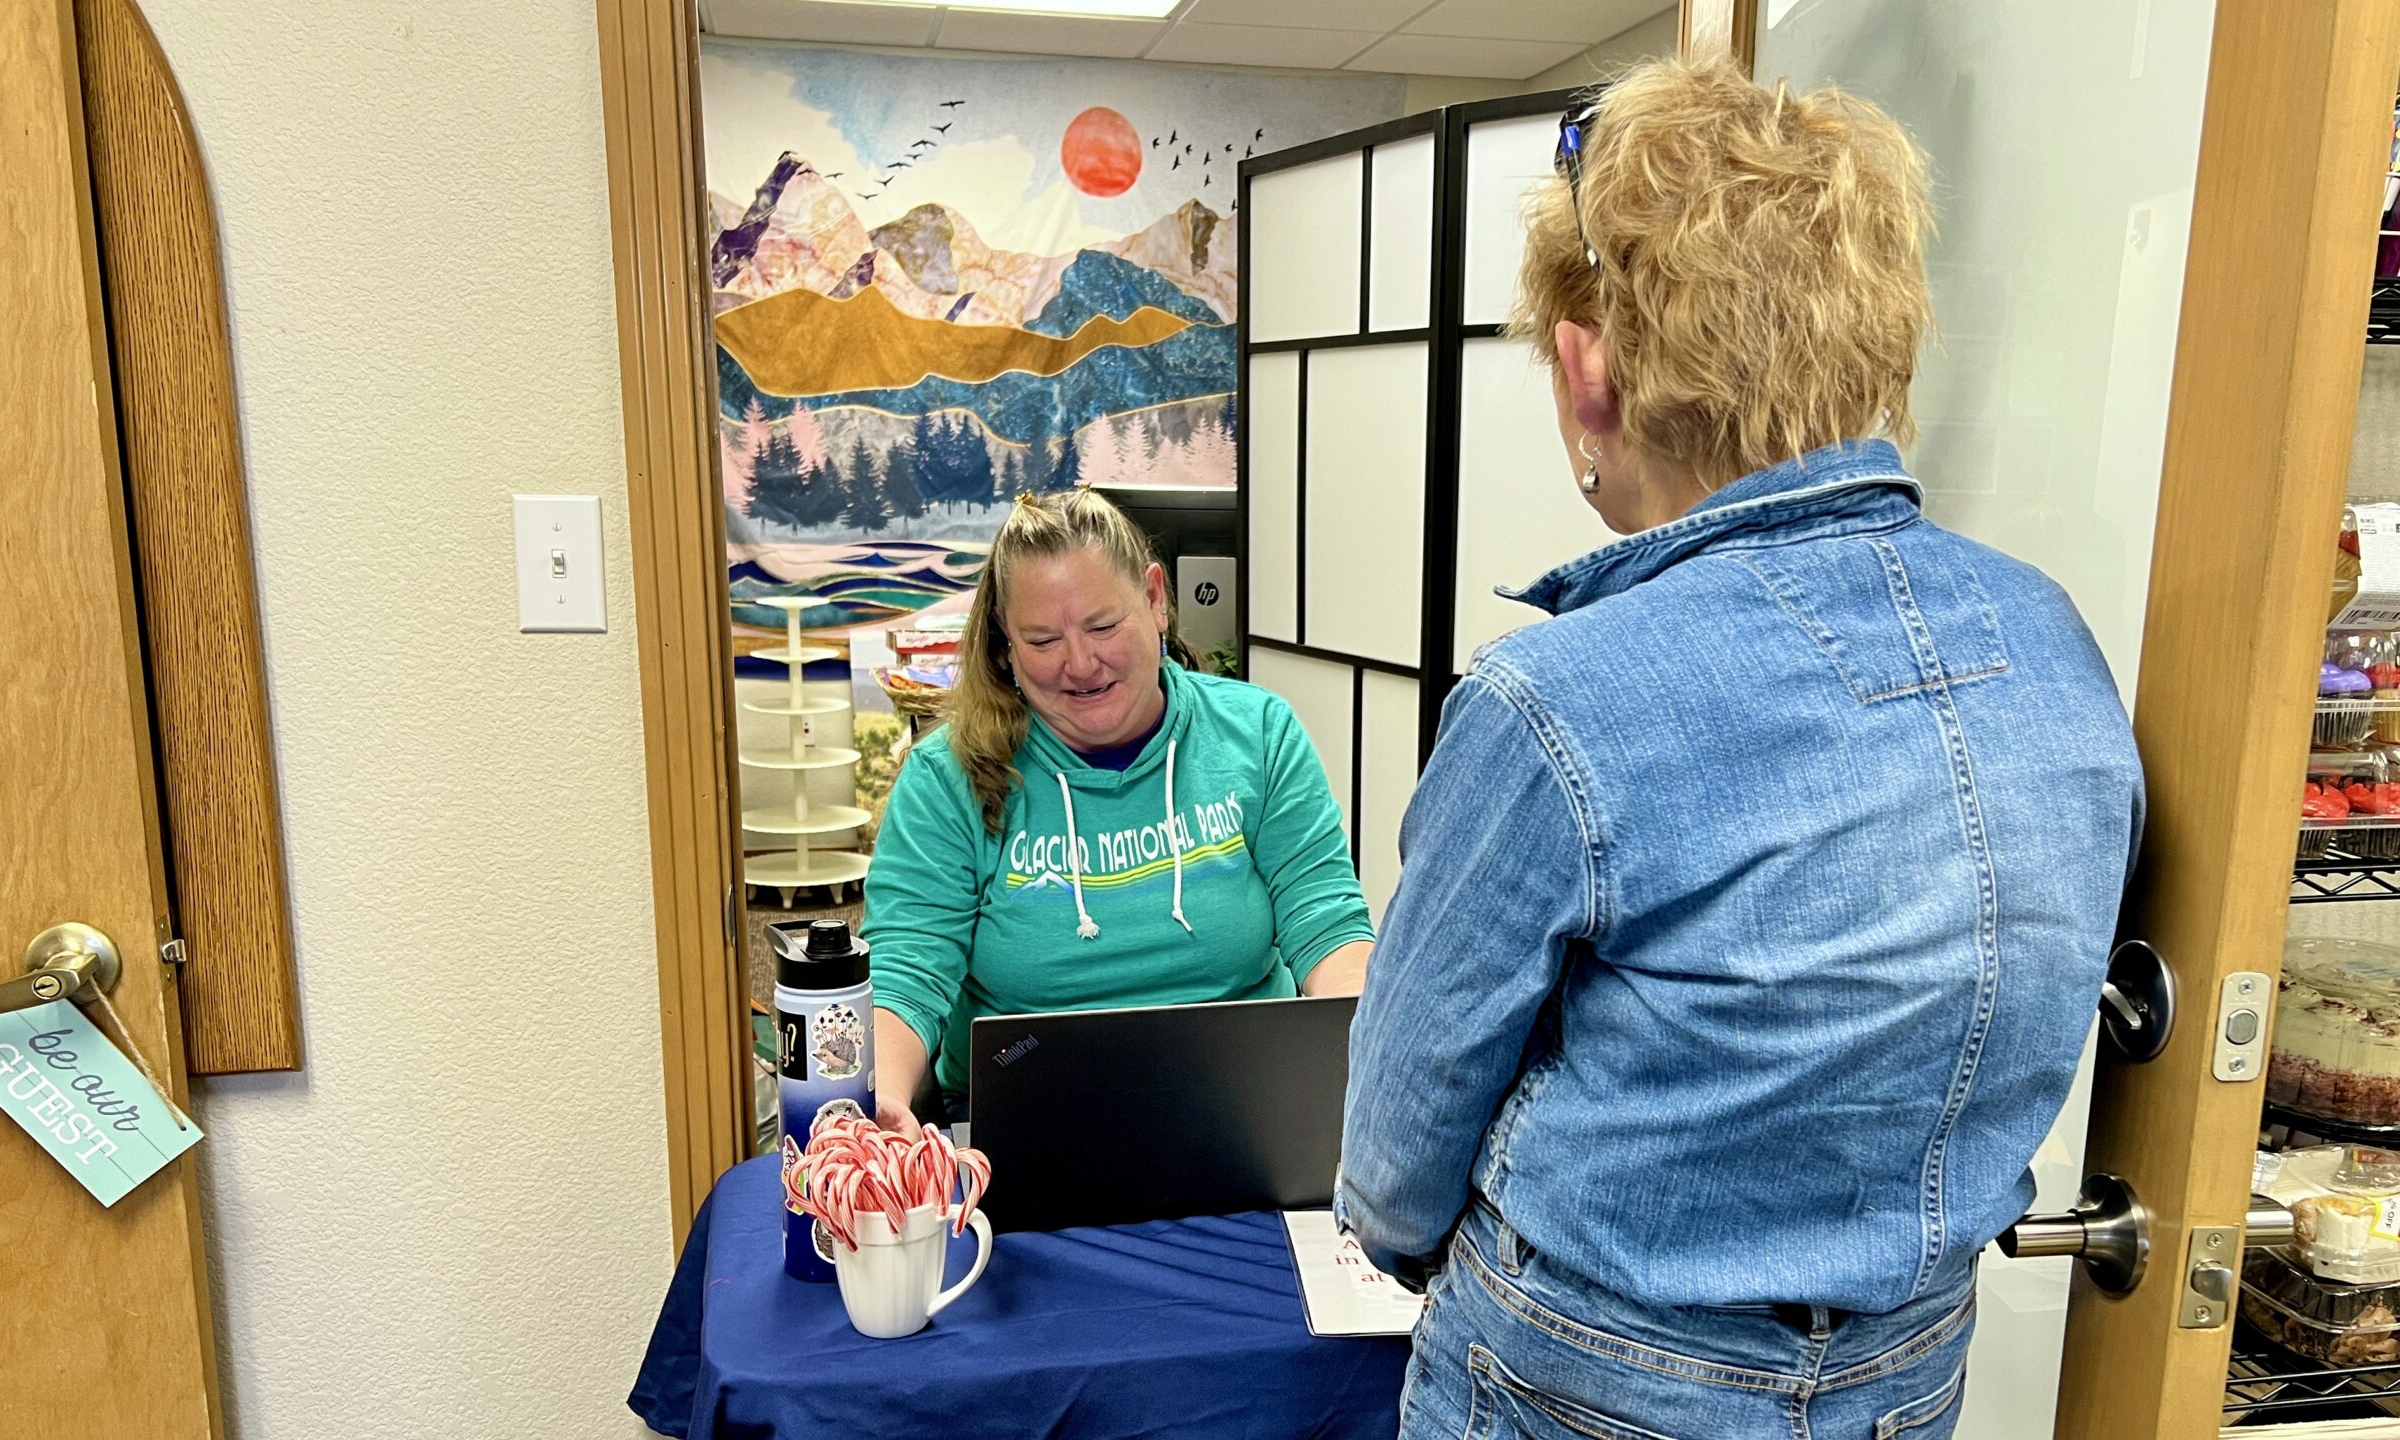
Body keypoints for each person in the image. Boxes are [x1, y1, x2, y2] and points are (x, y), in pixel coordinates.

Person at [1336, 56, 2143, 1440]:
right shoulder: (2052, 643)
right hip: (1907, 1372)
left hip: (1586, 1374)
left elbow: (1397, 1160)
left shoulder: (1556, 700)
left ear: (1587, 366)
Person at [864, 489, 1373, 1134]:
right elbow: (907, 969)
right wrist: (881, 1095)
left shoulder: (1258, 733)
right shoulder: (948, 776)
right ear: (1005, 644)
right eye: (1043, 640)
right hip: (1019, 1126)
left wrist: (1370, 1054)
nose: (1080, 664)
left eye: (1103, 626)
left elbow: (1326, 923)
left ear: (1155, 599)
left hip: (1246, 1110)